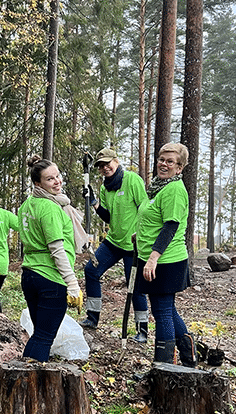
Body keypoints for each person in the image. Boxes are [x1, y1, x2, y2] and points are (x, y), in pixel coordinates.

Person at [134, 143, 196, 366]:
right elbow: (154, 218)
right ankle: (189, 358)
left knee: (162, 313)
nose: (164, 164)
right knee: (167, 309)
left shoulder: (174, 190)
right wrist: (138, 234)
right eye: (161, 159)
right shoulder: (158, 187)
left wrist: (153, 258)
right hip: (155, 257)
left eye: (170, 161)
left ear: (179, 168)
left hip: (166, 260)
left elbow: (170, 226)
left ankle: (163, 368)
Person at [17, 156, 84, 362]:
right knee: (44, 338)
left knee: (39, 334)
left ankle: (22, 380)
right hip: (50, 279)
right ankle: (30, 383)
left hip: (30, 276)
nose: (57, 182)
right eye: (49, 179)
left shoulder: (27, 205)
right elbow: (57, 249)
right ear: (38, 183)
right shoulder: (49, 208)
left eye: (57, 176)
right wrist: (72, 284)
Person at [80, 147, 149, 342]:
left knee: (135, 286)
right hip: (113, 241)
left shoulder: (132, 180)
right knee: (91, 270)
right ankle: (92, 318)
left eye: (107, 163)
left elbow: (145, 210)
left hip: (133, 245)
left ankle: (142, 331)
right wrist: (94, 202)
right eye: (100, 166)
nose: (104, 168)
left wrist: (141, 235)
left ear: (116, 161)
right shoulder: (105, 187)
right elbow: (108, 216)